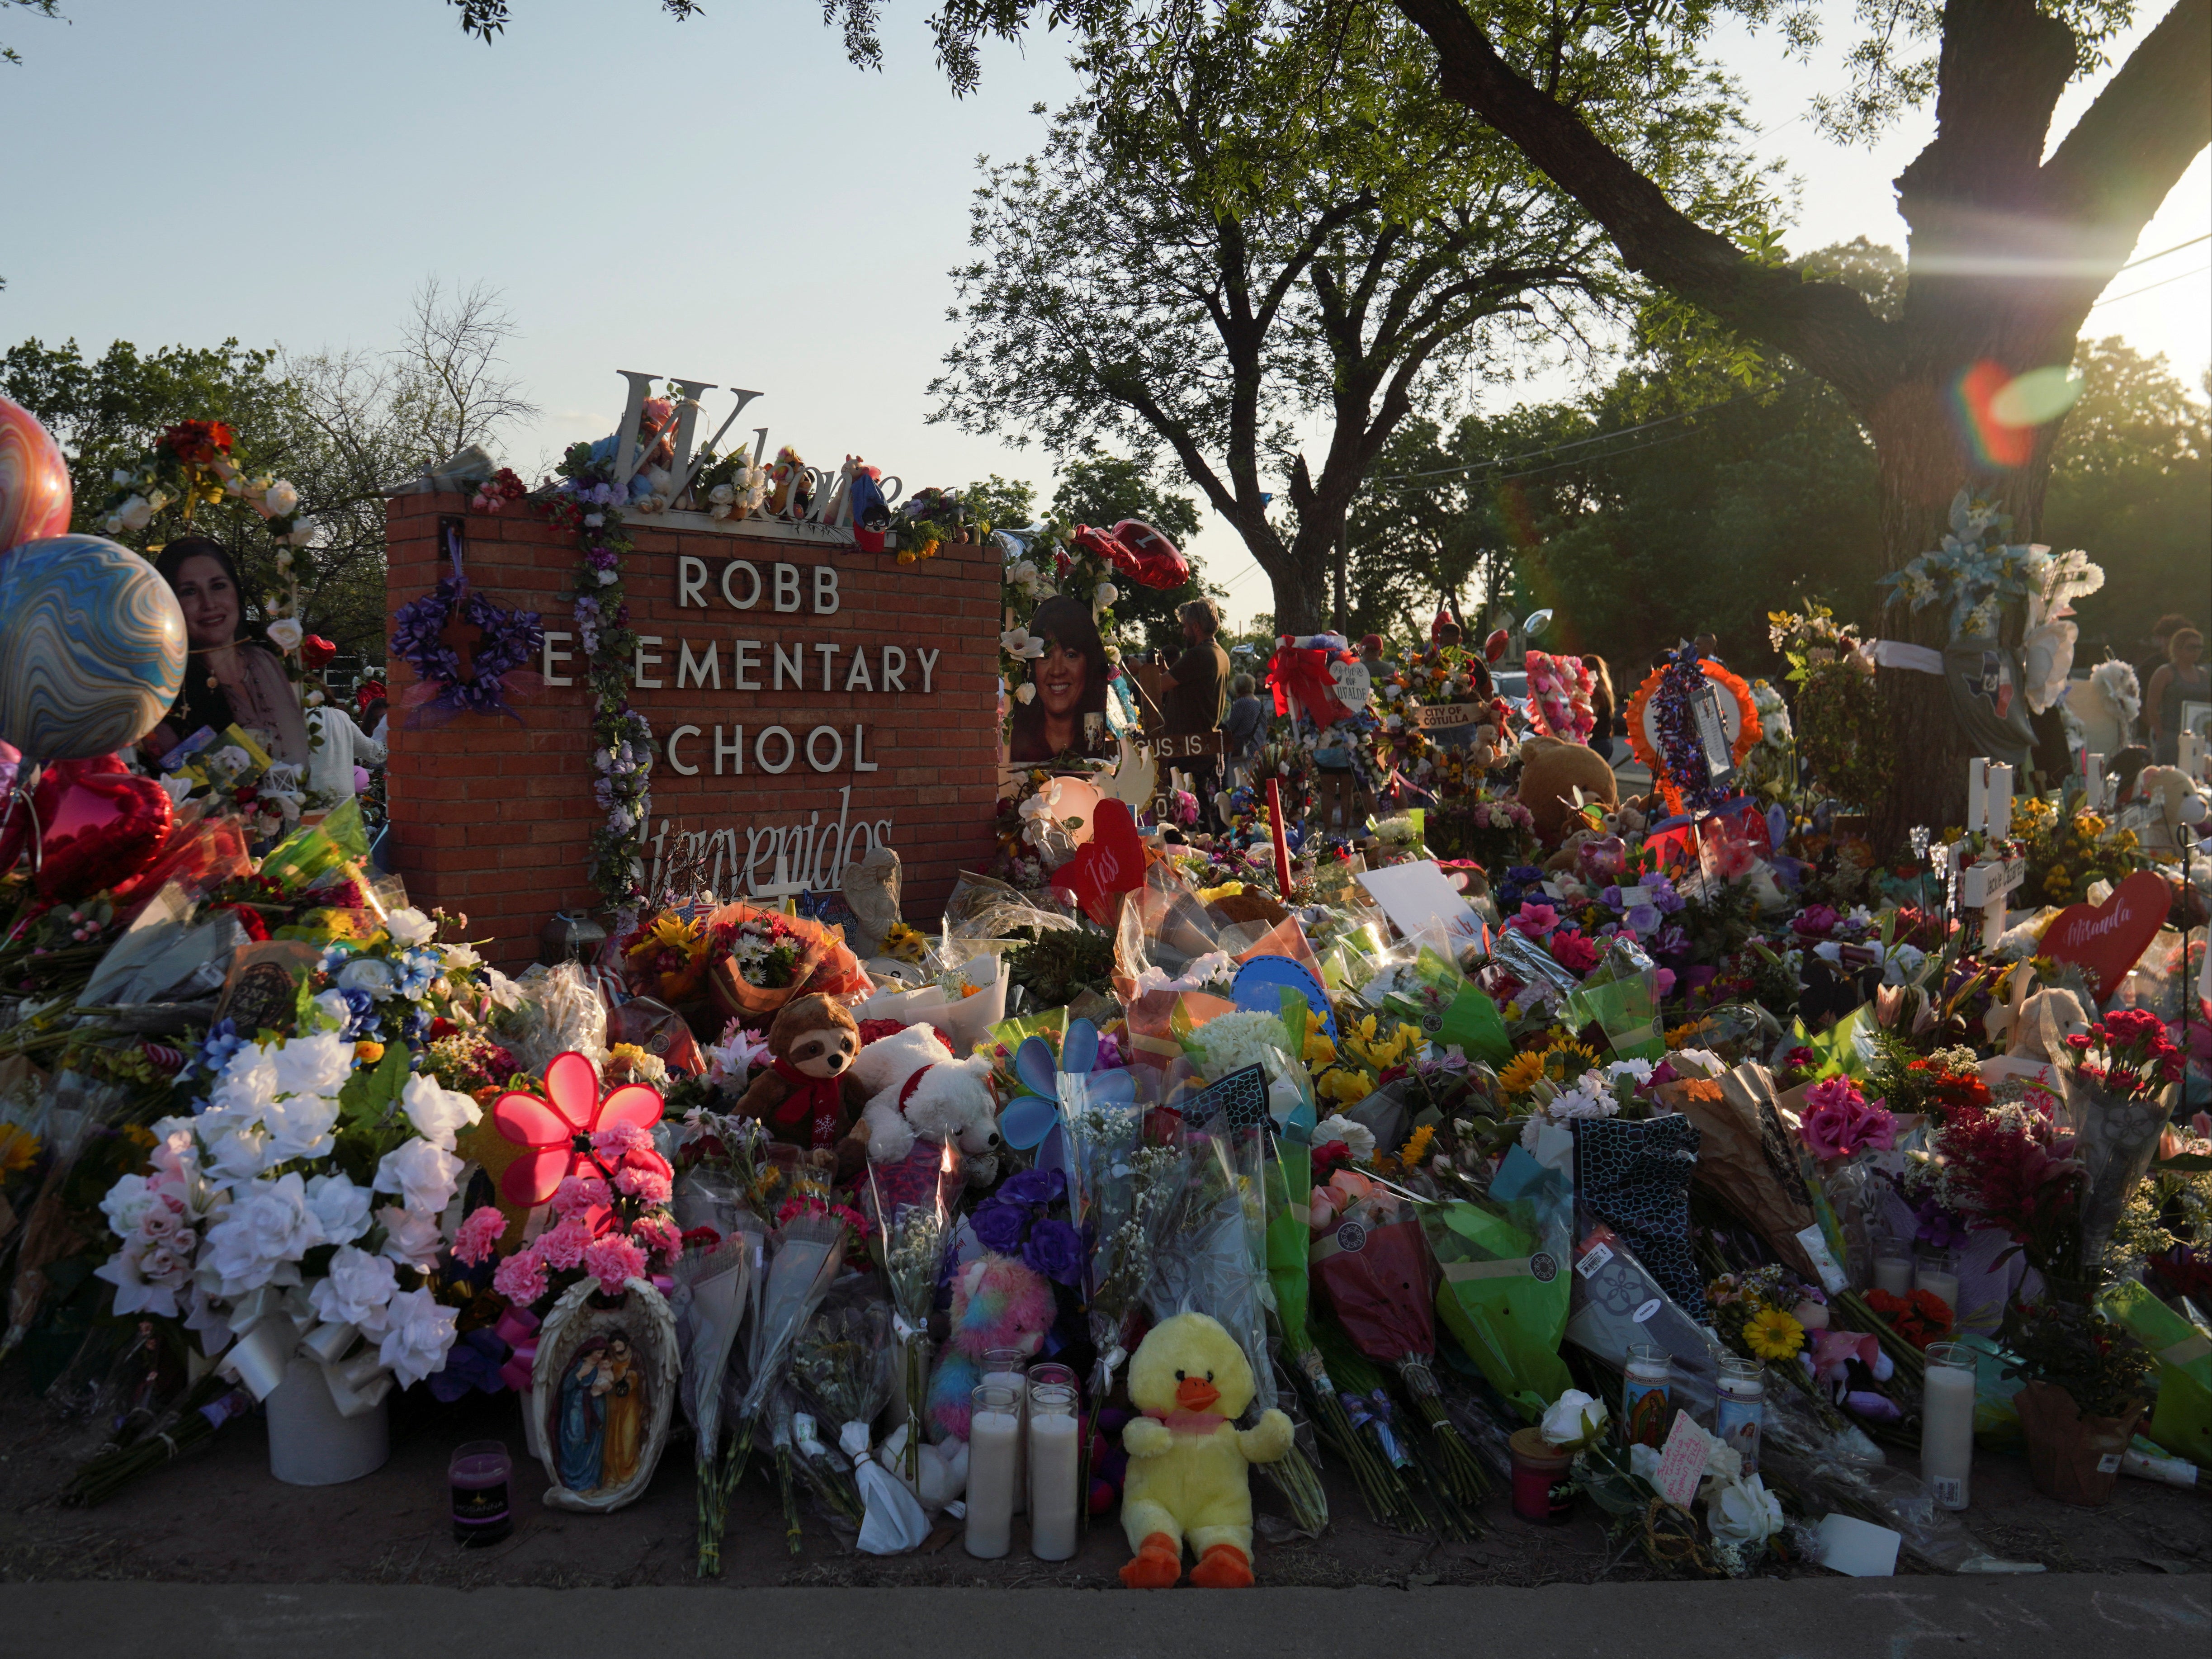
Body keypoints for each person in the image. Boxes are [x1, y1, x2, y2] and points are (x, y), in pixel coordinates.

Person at [141, 537, 311, 767]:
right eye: (190, 591)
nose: (209, 604)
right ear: (171, 605)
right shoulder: (165, 691)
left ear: (236, 593)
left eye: (218, 586)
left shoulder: (265, 661)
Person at [1007, 595, 1110, 763]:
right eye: (1046, 656)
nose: (1057, 670)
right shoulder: (1011, 743)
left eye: (1070, 655)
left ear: (1088, 665)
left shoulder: (1099, 746)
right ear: (1032, 666)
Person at [304, 689, 386, 806]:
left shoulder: (298, 718)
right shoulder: (341, 717)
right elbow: (372, 751)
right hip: (343, 798)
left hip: (311, 797)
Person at [2146, 626, 2207, 766]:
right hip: (2171, 735)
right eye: (2192, 647)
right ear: (2177, 649)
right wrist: (2161, 735)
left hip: (2197, 736)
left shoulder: (2203, 674)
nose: (2196, 651)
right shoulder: (2165, 672)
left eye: (2200, 647)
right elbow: (2152, 706)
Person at [2135, 613, 2191, 700]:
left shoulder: (2193, 666)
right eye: (2170, 637)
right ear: (2160, 638)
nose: (2175, 642)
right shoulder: (2149, 666)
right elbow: (2140, 699)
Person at [1583, 653, 1620, 760]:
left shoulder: (1596, 692)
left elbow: (1590, 717)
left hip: (1597, 743)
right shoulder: (1604, 690)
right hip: (1603, 741)